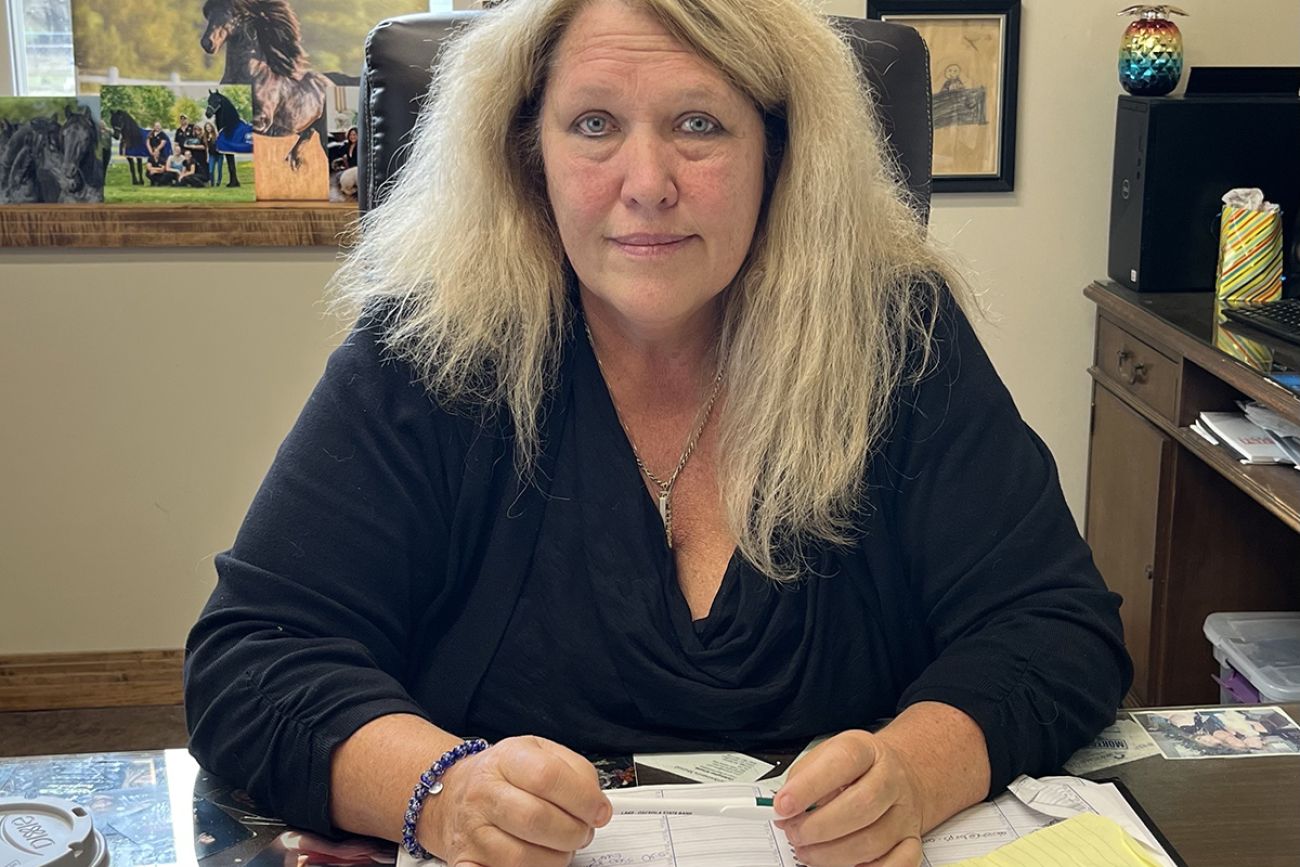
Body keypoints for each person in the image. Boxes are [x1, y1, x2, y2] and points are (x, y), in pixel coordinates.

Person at [184, 2, 1131, 866]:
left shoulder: (896, 336)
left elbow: (1056, 627)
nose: (647, 184)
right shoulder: (428, 348)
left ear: (781, 149)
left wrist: (916, 772)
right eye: (594, 124)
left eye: (699, 124)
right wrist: (443, 790)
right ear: (530, 154)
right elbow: (250, 664)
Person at [203, 121, 223, 187]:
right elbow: (206, 148)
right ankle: (212, 183)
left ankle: (218, 182)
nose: (208, 128)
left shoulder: (216, 135)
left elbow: (220, 143)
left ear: (212, 127)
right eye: (207, 127)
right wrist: (207, 157)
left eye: (209, 127)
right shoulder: (205, 136)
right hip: (211, 155)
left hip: (219, 154)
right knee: (211, 170)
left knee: (219, 169)